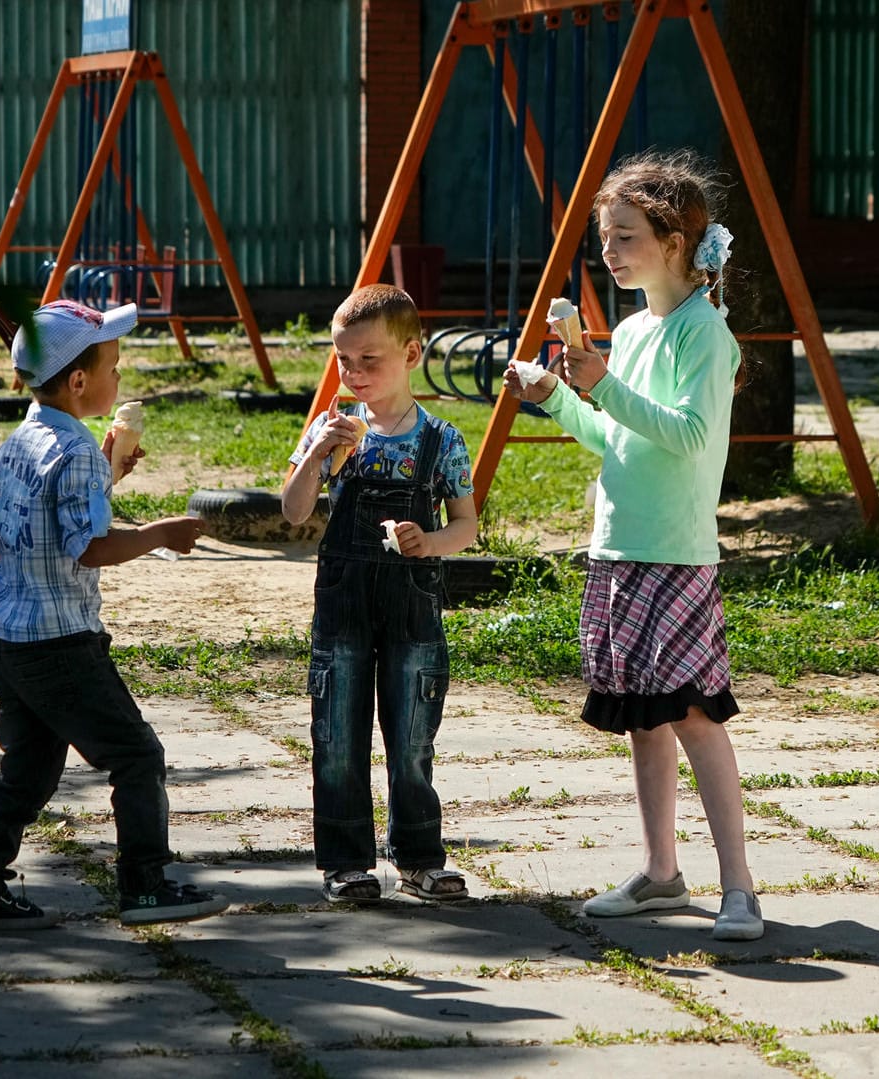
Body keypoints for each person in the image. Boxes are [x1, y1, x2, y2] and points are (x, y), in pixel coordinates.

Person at [503, 149, 763, 942]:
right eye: (606, 238)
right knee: (643, 721)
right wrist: (558, 397)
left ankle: (740, 888)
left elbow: (685, 436)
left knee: (691, 714)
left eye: (625, 237)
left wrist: (602, 383)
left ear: (677, 242)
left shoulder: (704, 334)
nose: (610, 253)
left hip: (676, 555)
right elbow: (617, 437)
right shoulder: (639, 327)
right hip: (620, 549)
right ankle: (661, 874)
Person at [0, 300, 230, 930]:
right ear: (78, 381)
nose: (120, 377)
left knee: (26, 773)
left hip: (12, 640)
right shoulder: (73, 453)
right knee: (136, 757)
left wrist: (106, 471)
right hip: (62, 646)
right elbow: (89, 547)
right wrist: (159, 533)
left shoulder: (21, 441)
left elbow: (53, 520)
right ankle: (146, 885)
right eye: (115, 365)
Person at [282, 284, 479, 905]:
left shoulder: (440, 440)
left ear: (412, 353)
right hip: (342, 606)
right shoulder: (333, 430)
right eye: (345, 360)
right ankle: (346, 862)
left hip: (412, 608)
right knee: (337, 735)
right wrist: (317, 453)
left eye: (370, 359)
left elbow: (466, 526)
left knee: (412, 734)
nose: (355, 373)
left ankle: (420, 857)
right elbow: (293, 512)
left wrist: (431, 541)